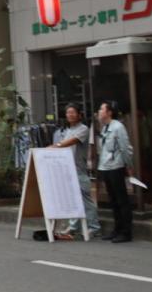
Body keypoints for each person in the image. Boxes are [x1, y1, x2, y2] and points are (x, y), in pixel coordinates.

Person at [49, 104, 100, 239]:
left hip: (78, 169)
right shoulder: (67, 130)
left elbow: (70, 142)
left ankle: (94, 227)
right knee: (72, 199)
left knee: (85, 199)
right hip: (68, 169)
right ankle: (74, 227)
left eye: (72, 112)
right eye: (68, 113)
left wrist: (54, 146)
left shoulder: (83, 129)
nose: (70, 115)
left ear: (79, 115)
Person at [95, 101, 133, 243]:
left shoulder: (118, 127)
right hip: (106, 167)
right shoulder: (105, 128)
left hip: (116, 166)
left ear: (109, 112)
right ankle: (117, 229)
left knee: (121, 200)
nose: (99, 111)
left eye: (101, 109)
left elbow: (125, 148)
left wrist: (129, 166)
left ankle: (126, 232)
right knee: (113, 201)